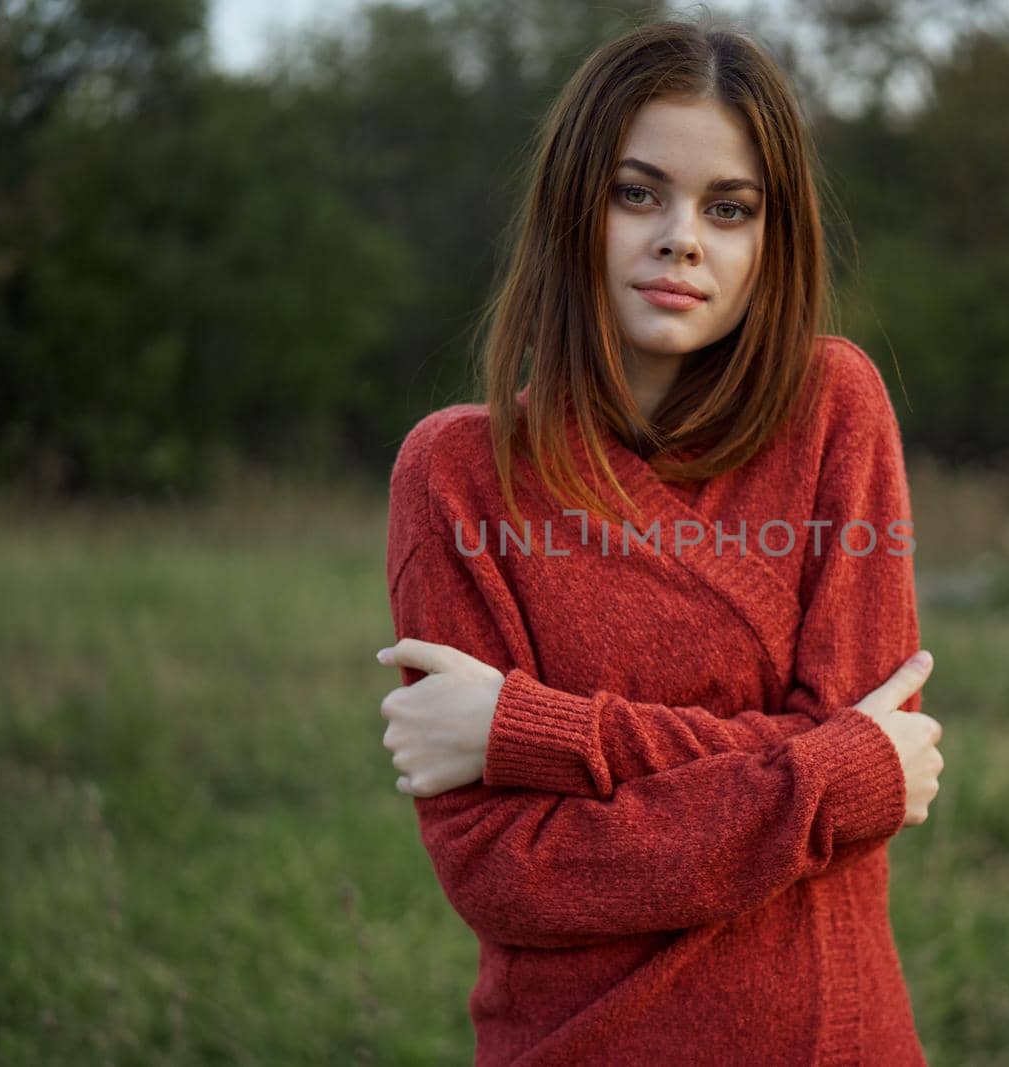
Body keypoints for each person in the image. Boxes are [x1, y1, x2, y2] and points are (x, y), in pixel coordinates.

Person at [376, 15, 945, 1065]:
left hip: (829, 1038)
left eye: (727, 209)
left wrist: (528, 729)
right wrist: (822, 768)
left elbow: (878, 766)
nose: (682, 236)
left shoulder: (833, 408)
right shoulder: (456, 475)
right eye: (638, 192)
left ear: (770, 240)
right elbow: (506, 869)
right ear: (572, 208)